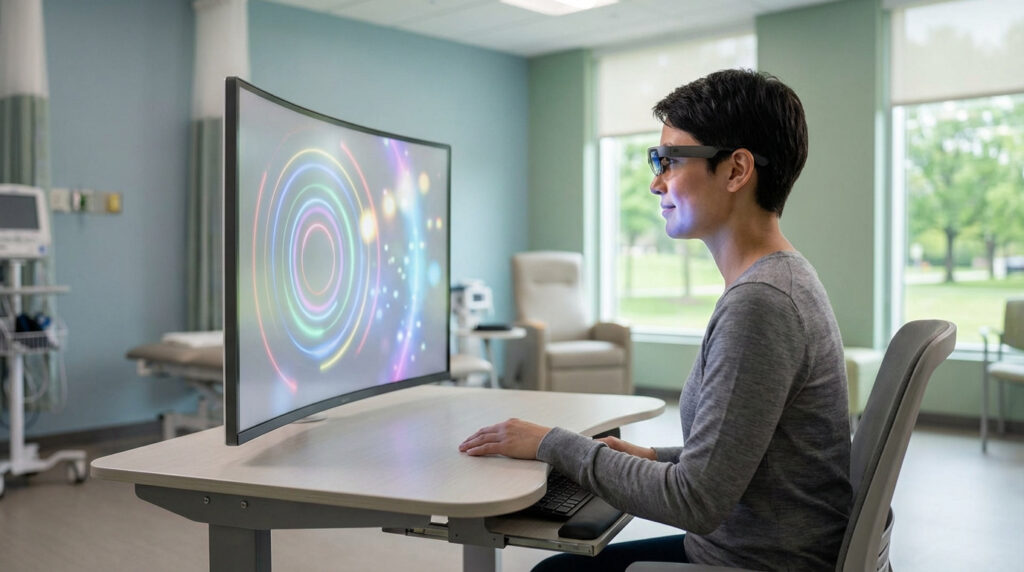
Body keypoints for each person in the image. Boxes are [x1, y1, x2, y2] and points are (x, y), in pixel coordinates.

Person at [458, 68, 852, 571]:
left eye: (668, 160)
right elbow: (740, 461)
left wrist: (552, 444)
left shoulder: (762, 304)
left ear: (736, 171)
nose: (654, 182)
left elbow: (695, 501)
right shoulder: (783, 279)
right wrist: (647, 459)